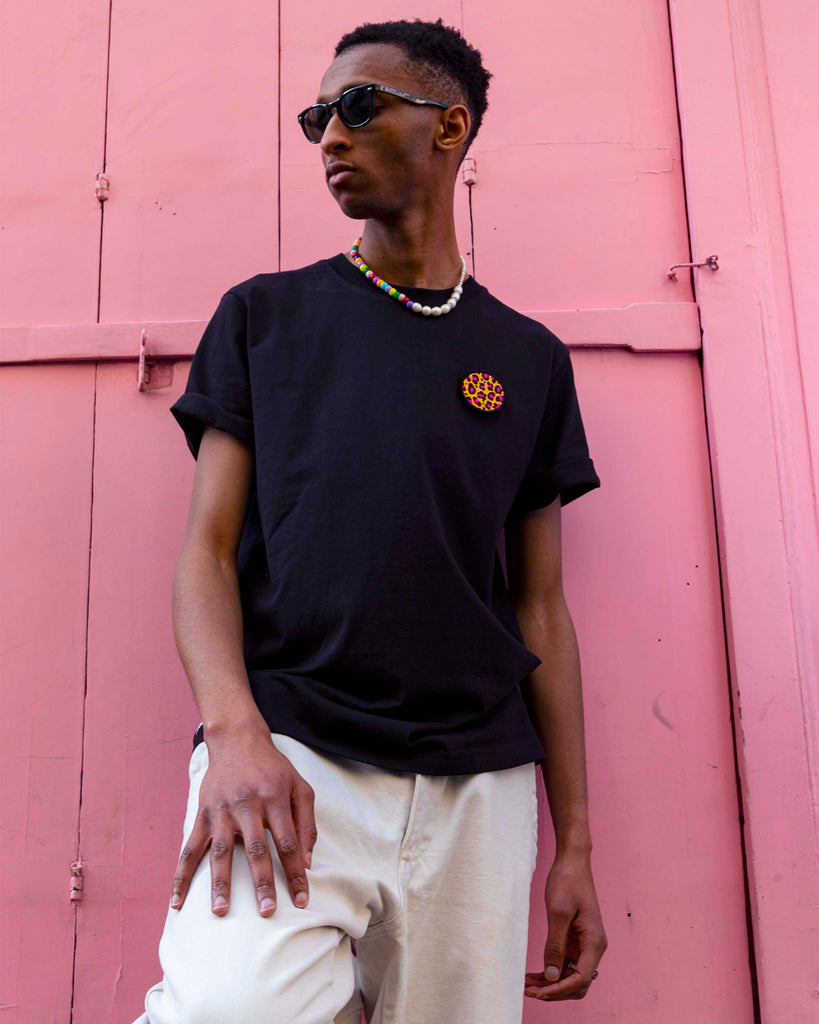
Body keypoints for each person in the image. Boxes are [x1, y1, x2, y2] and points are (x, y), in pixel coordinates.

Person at [133, 17, 607, 1024]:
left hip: (478, 780)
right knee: (224, 1009)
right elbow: (206, 554)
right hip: (293, 751)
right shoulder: (267, 318)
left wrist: (578, 848)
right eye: (318, 117)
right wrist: (233, 736)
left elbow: (542, 611)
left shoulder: (528, 360)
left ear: (450, 126)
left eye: (357, 107)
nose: (329, 138)